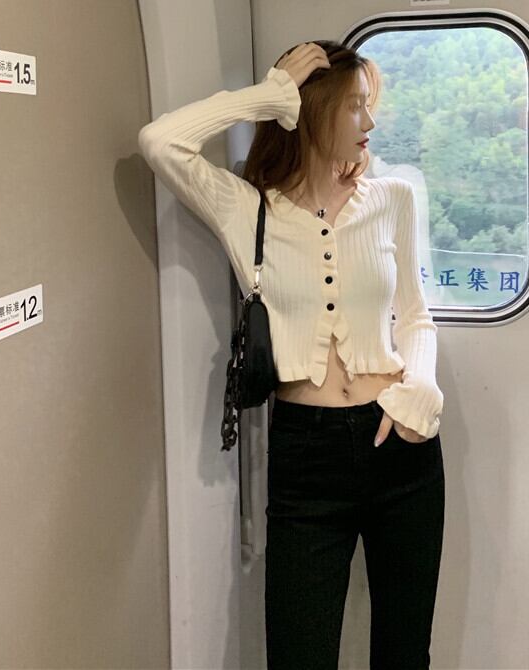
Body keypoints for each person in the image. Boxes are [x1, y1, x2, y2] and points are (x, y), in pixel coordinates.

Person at [138, 40, 445, 670]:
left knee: (404, 652)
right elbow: (160, 142)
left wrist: (421, 388)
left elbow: (415, 315)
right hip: (306, 454)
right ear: (310, 112)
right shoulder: (248, 208)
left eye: (369, 104)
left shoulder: (393, 198)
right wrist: (268, 95)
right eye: (354, 105)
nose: (370, 120)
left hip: (399, 444)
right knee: (299, 655)